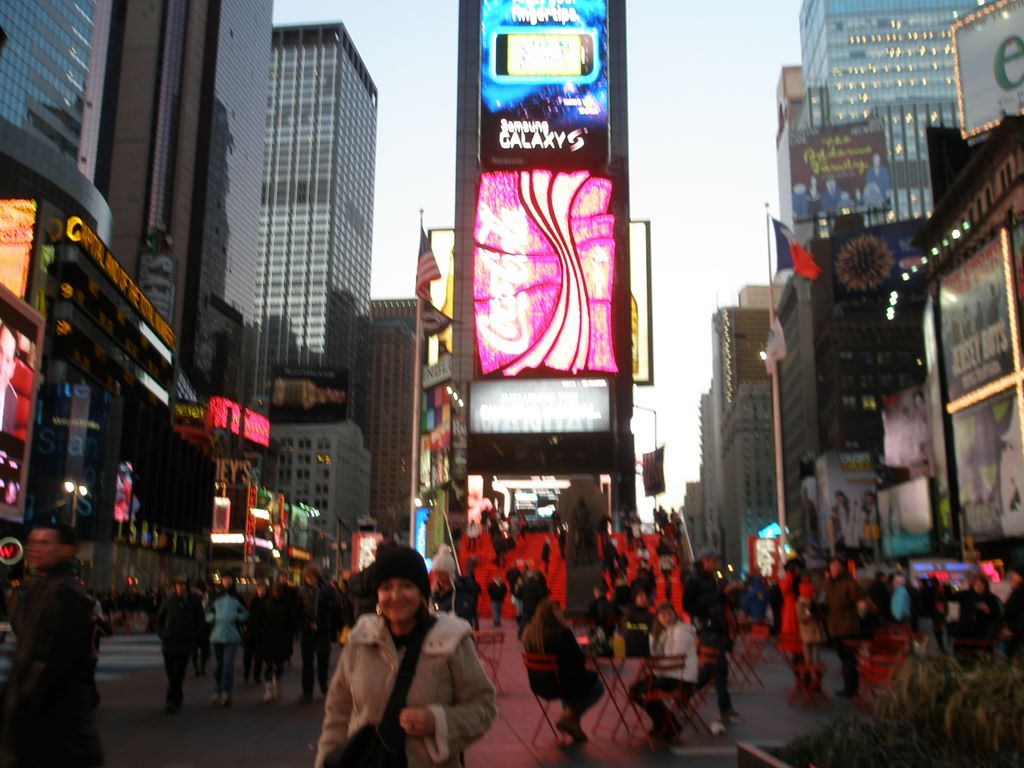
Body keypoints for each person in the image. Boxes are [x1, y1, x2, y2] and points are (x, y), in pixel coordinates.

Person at [315, 546, 497, 768]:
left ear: (421, 592)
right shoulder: (361, 640)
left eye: (406, 586)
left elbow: (484, 706)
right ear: (377, 594)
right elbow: (337, 715)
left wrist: (437, 722)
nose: (395, 596)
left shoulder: (451, 640)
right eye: (386, 587)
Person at [0, 523, 103, 767]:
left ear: (66, 550)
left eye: (45, 543)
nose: (34, 548)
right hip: (38, 719)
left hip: (54, 723)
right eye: (32, 542)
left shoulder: (67, 595)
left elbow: (55, 662)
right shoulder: (39, 588)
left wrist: (22, 703)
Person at [522, 600, 604, 742]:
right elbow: (579, 659)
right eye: (558, 610)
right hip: (559, 685)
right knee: (597, 687)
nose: (562, 613)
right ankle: (568, 716)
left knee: (569, 684)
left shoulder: (531, 636)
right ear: (551, 614)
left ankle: (573, 725)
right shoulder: (562, 633)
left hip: (539, 685)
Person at [683, 547, 742, 725]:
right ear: (705, 560)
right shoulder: (693, 580)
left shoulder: (713, 578)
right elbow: (688, 605)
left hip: (716, 626)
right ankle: (725, 709)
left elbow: (716, 599)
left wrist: (725, 596)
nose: (716, 564)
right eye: (713, 561)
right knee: (720, 667)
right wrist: (708, 611)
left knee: (710, 669)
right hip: (707, 628)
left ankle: (685, 693)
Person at [630, 603, 697, 740]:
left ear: (675, 614)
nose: (666, 618)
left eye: (669, 614)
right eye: (663, 615)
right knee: (635, 689)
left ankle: (668, 725)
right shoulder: (667, 631)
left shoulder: (680, 633)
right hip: (671, 674)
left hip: (681, 678)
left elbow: (674, 661)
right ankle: (665, 724)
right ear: (658, 618)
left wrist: (653, 667)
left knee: (640, 690)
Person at [154, 574, 204, 712]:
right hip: (169, 642)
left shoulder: (193, 602)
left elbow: (201, 620)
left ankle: (171, 701)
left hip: (184, 643)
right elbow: (159, 620)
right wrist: (162, 634)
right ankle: (177, 695)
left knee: (177, 672)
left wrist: (194, 635)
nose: (180, 588)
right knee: (170, 673)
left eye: (182, 585)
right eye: (177, 585)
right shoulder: (169, 601)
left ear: (187, 587)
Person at [824, 556, 864, 698]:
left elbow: (859, 599)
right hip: (834, 626)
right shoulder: (828, 583)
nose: (834, 568)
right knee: (843, 657)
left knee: (849, 659)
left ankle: (851, 687)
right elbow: (826, 602)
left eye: (836, 566)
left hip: (848, 626)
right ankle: (850, 685)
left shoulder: (849, 583)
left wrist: (861, 604)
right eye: (832, 566)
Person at [206, 573, 248, 706]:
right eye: (224, 579)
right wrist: (213, 618)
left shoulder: (238, 597)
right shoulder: (215, 596)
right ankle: (217, 690)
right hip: (217, 635)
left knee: (228, 666)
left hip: (232, 635)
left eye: (229, 579)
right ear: (221, 581)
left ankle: (226, 691)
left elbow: (245, 612)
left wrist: (237, 618)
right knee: (218, 666)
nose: (227, 581)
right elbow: (207, 613)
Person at [299, 564, 336, 702]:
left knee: (323, 659)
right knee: (307, 662)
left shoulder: (326, 590)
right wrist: (302, 623)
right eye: (307, 578)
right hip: (307, 630)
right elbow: (298, 609)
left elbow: (334, 606)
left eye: (312, 577)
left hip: (322, 629)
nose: (310, 580)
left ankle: (323, 682)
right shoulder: (302, 591)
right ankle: (307, 691)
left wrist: (328, 607)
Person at [260, 580, 297, 702]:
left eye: (278, 591)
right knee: (269, 665)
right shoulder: (266, 603)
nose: (276, 592)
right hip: (269, 638)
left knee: (279, 665)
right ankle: (269, 689)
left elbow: (290, 624)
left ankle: (276, 682)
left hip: (281, 638)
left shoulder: (286, 605)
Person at [243, 580, 269, 684]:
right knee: (247, 655)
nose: (261, 591)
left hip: (262, 633)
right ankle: (247, 671)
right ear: (256, 590)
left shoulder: (268, 601)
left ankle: (256, 675)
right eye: (260, 589)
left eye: (263, 589)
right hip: (250, 631)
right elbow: (246, 615)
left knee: (259, 656)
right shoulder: (251, 601)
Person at [623, 588, 654, 658]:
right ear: (634, 599)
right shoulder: (629, 613)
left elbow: (651, 628)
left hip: (646, 645)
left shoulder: (649, 614)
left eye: (645, 597)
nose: (644, 599)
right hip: (632, 645)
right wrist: (644, 627)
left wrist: (638, 627)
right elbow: (628, 627)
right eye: (641, 597)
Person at [0, 324, 18, 434]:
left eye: (7, 360)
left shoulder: (12, 401)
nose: (1, 366)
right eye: (0, 351)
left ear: (12, 370)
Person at [1004, 570, 1024, 658]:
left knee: (1012, 652)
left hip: (1017, 628)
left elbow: (1011, 609)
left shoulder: (1019, 592)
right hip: (1016, 627)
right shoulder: (1016, 591)